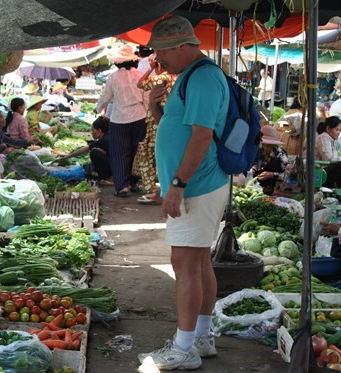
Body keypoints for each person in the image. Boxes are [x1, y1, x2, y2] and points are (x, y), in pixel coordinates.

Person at [137, 16, 230, 371]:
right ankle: (201, 338)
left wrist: (177, 185)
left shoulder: (204, 76)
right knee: (199, 261)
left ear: (181, 46)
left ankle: (183, 349)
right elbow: (179, 128)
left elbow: (202, 136)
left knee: (184, 264)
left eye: (161, 53)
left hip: (196, 185)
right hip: (197, 184)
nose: (159, 62)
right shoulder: (189, 78)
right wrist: (156, 108)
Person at [95, 44, 147, 197]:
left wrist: (97, 109)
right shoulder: (140, 75)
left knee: (119, 153)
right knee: (136, 151)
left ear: (117, 62)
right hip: (140, 116)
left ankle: (122, 187)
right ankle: (135, 182)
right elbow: (146, 97)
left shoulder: (113, 77)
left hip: (120, 119)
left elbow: (106, 96)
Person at [136, 56, 177, 204]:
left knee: (147, 156)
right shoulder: (177, 79)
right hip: (171, 121)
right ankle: (168, 187)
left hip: (156, 122)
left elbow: (140, 84)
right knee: (165, 155)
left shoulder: (161, 78)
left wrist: (151, 69)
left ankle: (152, 191)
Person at [57, 116, 111, 183]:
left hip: (115, 168)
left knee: (94, 152)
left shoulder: (105, 140)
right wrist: (68, 156)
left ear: (99, 131)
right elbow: (87, 148)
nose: (91, 132)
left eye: (93, 130)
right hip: (115, 167)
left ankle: (107, 178)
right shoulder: (106, 137)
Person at [250, 125, 289, 195]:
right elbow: (255, 164)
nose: (265, 148)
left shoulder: (281, 155)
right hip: (258, 188)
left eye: (268, 145)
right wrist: (253, 170)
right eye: (263, 144)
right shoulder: (258, 151)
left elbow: (287, 177)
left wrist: (272, 175)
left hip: (277, 188)